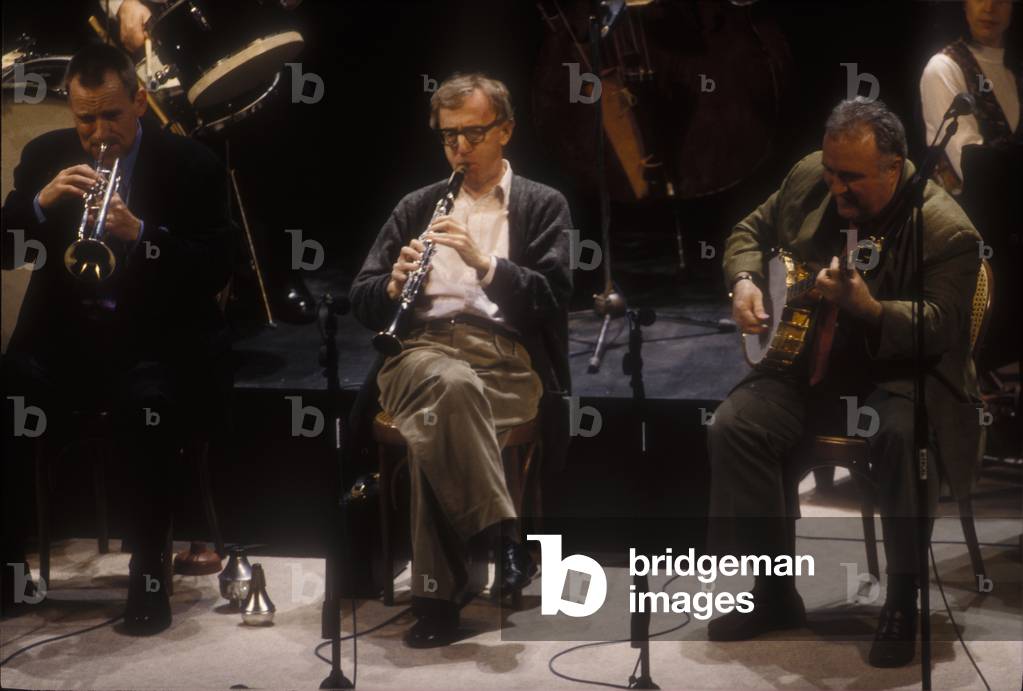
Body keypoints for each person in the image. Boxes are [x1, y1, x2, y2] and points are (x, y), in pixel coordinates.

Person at [708, 98, 982, 668]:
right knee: (737, 425)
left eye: (851, 177)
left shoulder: (944, 227)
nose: (835, 186)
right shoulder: (812, 176)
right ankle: (773, 593)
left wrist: (873, 309)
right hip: (813, 372)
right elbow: (748, 231)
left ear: (895, 165)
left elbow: (944, 325)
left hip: (902, 378)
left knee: (906, 437)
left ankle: (902, 600)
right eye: (832, 171)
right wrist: (743, 280)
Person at [1, 43, 233, 635]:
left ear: (140, 100)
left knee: (146, 407)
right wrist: (37, 203)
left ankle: (147, 573)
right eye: (84, 119)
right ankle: (8, 571)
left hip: (156, 343)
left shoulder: (191, 163)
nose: (98, 133)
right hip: (64, 343)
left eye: (111, 116)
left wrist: (143, 235)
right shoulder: (44, 158)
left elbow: (217, 267)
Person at [350, 73, 572, 648]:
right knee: (446, 388)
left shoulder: (543, 204)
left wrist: (487, 263)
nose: (461, 149)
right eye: (449, 137)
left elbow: (554, 297)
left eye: (473, 134)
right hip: (418, 352)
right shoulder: (418, 205)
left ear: (506, 131)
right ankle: (503, 533)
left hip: (504, 360)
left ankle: (438, 602)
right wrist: (393, 285)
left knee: (438, 424)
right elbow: (361, 295)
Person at [107, 0, 316, 323]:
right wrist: (123, 4)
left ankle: (277, 271)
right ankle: (199, 285)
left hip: (227, 21)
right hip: (154, 34)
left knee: (266, 140)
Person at [920, 0, 1019, 194]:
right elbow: (972, 169)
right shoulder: (943, 68)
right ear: (964, 5)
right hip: (969, 215)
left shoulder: (1015, 70)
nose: (989, 7)